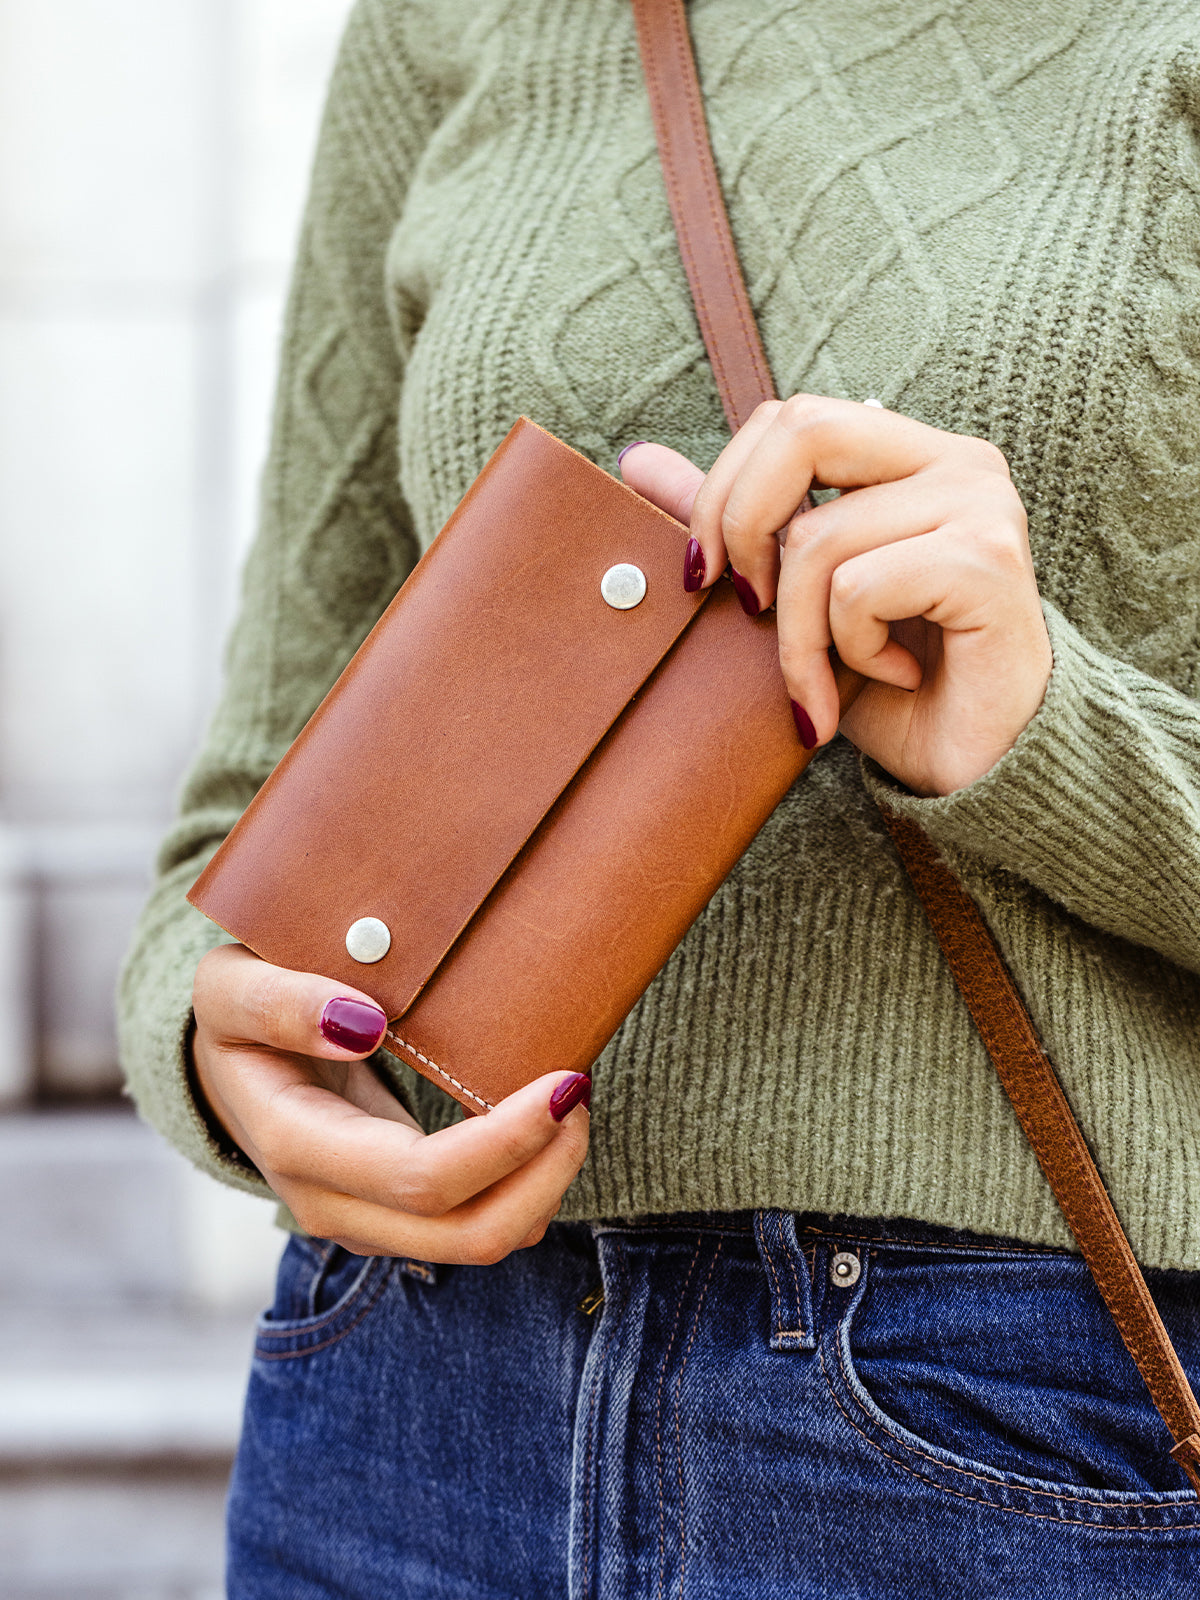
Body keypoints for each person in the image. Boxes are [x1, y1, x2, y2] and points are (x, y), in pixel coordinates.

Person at [119, 1, 1200, 1593]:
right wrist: (213, 1049)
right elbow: (251, 780)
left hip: (996, 1418)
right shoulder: (447, 22)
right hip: (396, 1394)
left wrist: (1042, 732)